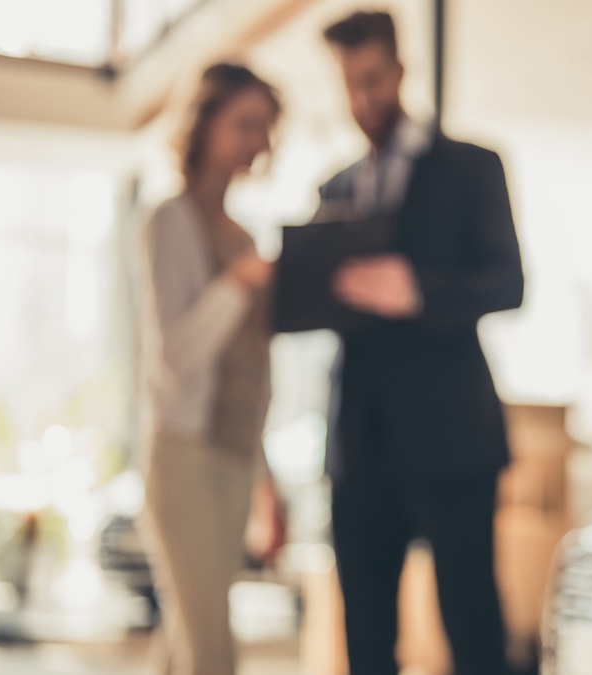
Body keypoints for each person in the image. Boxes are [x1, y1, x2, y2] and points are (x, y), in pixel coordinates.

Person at [314, 10, 524, 675]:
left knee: (472, 628)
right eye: (349, 84)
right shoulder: (334, 189)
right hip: (361, 451)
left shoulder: (473, 166)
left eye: (373, 79)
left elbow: (509, 284)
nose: (362, 99)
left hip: (454, 443)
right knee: (368, 641)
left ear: (401, 72)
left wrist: (419, 291)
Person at [137, 63, 286, 675]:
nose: (258, 142)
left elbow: (250, 373)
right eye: (246, 124)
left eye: (266, 128)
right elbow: (175, 356)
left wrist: (264, 480)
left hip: (233, 455)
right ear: (204, 125)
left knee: (185, 645)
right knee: (212, 653)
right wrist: (237, 284)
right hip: (185, 457)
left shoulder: (244, 236)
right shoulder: (170, 221)